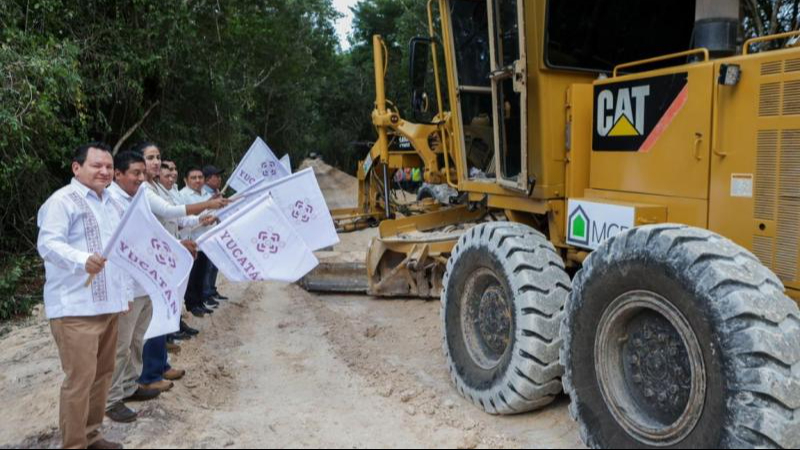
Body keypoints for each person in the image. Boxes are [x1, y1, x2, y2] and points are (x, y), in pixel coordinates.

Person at [37, 142, 128, 450]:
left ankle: (92, 435)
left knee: (102, 376)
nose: (104, 171)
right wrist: (81, 259)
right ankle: (74, 444)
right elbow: (48, 244)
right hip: (75, 309)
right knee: (79, 381)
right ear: (77, 168)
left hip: (108, 305)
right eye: (96, 165)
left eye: (108, 167)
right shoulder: (62, 201)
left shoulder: (113, 202)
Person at [133, 142, 227, 391]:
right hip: (155, 258)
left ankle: (160, 365)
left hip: (166, 257)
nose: (155, 162)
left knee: (163, 312)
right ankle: (150, 373)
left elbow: (177, 219)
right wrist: (207, 205)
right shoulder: (142, 189)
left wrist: (200, 218)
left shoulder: (159, 188)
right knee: (152, 316)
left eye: (158, 157)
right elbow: (167, 211)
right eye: (150, 158)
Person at [104, 152, 162, 423]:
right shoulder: (110, 202)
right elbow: (119, 250)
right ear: (118, 174)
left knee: (137, 341)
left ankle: (130, 385)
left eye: (142, 173)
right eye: (135, 173)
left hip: (145, 283)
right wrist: (124, 293)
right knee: (119, 346)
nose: (141, 178)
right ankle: (112, 399)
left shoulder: (136, 199)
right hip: (126, 289)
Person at [200, 165, 228, 305]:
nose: (219, 179)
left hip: (216, 232)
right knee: (207, 267)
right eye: (216, 176)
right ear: (208, 179)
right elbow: (201, 209)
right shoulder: (204, 193)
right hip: (206, 234)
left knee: (214, 264)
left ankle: (211, 289)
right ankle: (205, 294)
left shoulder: (218, 192)